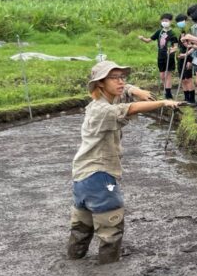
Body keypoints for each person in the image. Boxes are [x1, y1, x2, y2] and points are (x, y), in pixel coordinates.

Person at [69, 61, 179, 264]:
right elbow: (130, 108)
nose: (121, 82)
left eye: (122, 77)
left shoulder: (104, 100)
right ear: (100, 83)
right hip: (100, 176)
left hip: (81, 177)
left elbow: (126, 92)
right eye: (114, 78)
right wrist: (163, 102)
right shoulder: (102, 110)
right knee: (112, 226)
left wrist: (137, 90)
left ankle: (73, 261)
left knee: (81, 227)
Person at [138, 13, 176, 99]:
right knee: (162, 75)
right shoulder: (159, 32)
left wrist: (171, 50)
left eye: (166, 21)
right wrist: (142, 38)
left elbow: (175, 47)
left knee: (168, 74)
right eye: (162, 21)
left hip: (169, 56)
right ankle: (166, 90)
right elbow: (148, 40)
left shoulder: (172, 34)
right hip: (160, 55)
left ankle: (168, 93)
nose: (164, 22)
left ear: (170, 21)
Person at [172, 13, 196, 105]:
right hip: (180, 58)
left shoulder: (190, 32)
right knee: (182, 79)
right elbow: (180, 46)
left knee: (188, 78)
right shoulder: (182, 32)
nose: (179, 23)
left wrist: (188, 58)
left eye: (180, 21)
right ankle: (186, 97)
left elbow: (193, 47)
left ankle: (192, 99)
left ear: (186, 21)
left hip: (188, 57)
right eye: (178, 22)